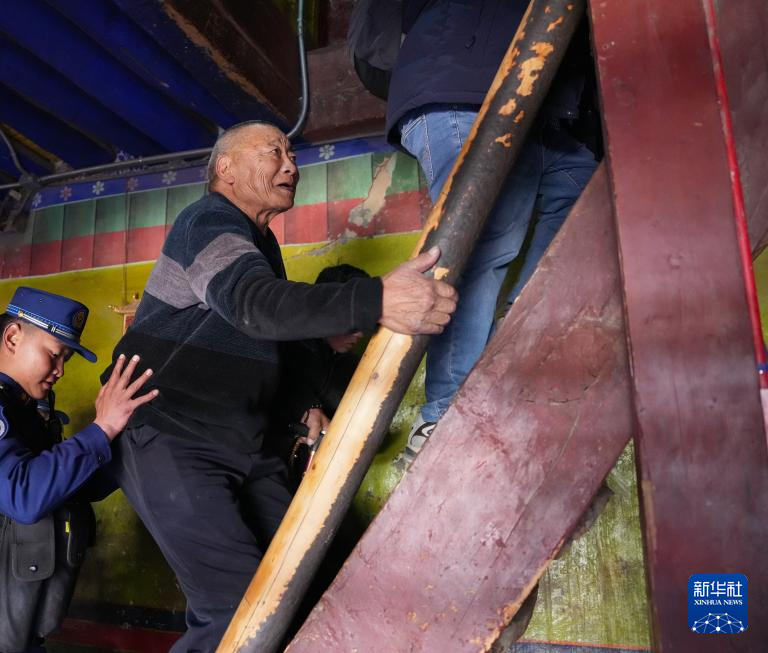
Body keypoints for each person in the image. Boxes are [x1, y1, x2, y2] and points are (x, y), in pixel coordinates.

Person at [104, 121, 459, 651]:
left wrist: (299, 410)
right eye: (274, 151)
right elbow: (254, 306)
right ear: (225, 168)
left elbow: (254, 341)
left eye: (291, 154)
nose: (291, 165)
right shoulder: (209, 219)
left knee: (298, 589)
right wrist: (377, 299)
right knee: (236, 610)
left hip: (244, 443)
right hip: (172, 433)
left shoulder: (259, 242)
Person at [385, 0, 600, 468]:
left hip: (569, 112)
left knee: (567, 262)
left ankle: (509, 402)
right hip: (475, 82)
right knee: (485, 246)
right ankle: (443, 419)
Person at [0, 287, 157, 653]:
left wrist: (128, 435)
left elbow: (69, 489)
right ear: (13, 337)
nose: (60, 370)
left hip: (8, 612)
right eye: (54, 354)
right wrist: (102, 429)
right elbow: (25, 496)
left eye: (65, 358)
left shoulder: (25, 415)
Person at [271, 264, 371, 480]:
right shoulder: (284, 345)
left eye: (363, 321)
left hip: (309, 478)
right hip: (263, 466)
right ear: (324, 311)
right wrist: (307, 406)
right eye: (352, 320)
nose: (360, 333)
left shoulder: (354, 369)